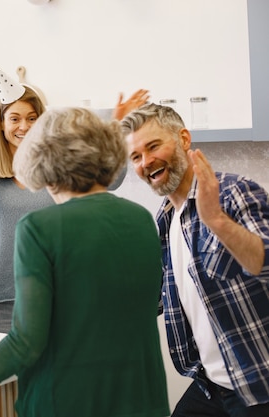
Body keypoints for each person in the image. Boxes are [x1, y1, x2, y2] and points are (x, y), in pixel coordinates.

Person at [0, 107, 170, 417]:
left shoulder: (39, 228)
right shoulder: (140, 218)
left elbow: (26, 342)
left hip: (69, 401)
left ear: (41, 158)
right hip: (143, 399)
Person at [0, 66, 150, 332]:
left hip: (57, 296)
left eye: (32, 118)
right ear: (2, 124)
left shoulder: (57, 169)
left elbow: (110, 180)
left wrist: (118, 129)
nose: (24, 126)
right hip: (2, 301)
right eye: (15, 119)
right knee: (5, 374)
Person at [121, 103, 269, 416]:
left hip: (259, 383)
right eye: (136, 156)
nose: (146, 161)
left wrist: (215, 219)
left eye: (154, 146)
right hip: (209, 384)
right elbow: (153, 301)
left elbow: (264, 261)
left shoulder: (233, 192)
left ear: (184, 139)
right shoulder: (164, 219)